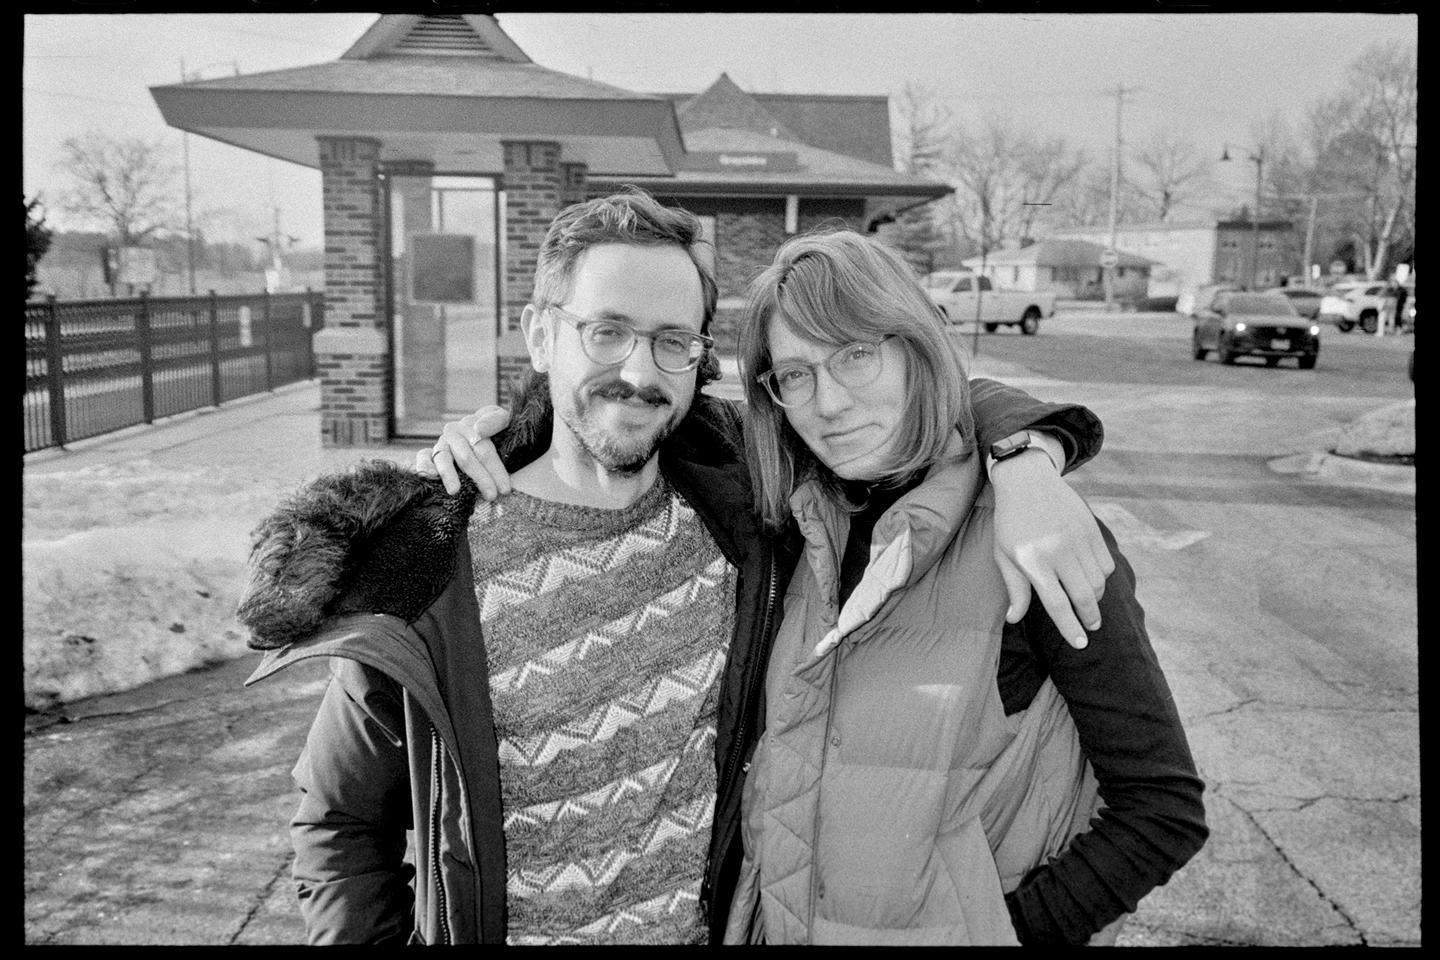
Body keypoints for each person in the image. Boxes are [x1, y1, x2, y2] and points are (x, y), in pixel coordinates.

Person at [237, 188, 1113, 945]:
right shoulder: (426, 565)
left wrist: (1031, 455)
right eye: (606, 331)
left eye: (672, 342)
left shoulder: (747, 508)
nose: (637, 371)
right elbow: (341, 821)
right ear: (542, 335)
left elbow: (907, 399)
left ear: (701, 358)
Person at [714, 230, 1207, 945]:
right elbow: (630, 416)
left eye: (855, 355)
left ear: (916, 346)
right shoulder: (794, 525)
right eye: (795, 375)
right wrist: (499, 440)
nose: (829, 403)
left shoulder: (1034, 541)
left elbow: (1162, 811)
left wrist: (997, 934)